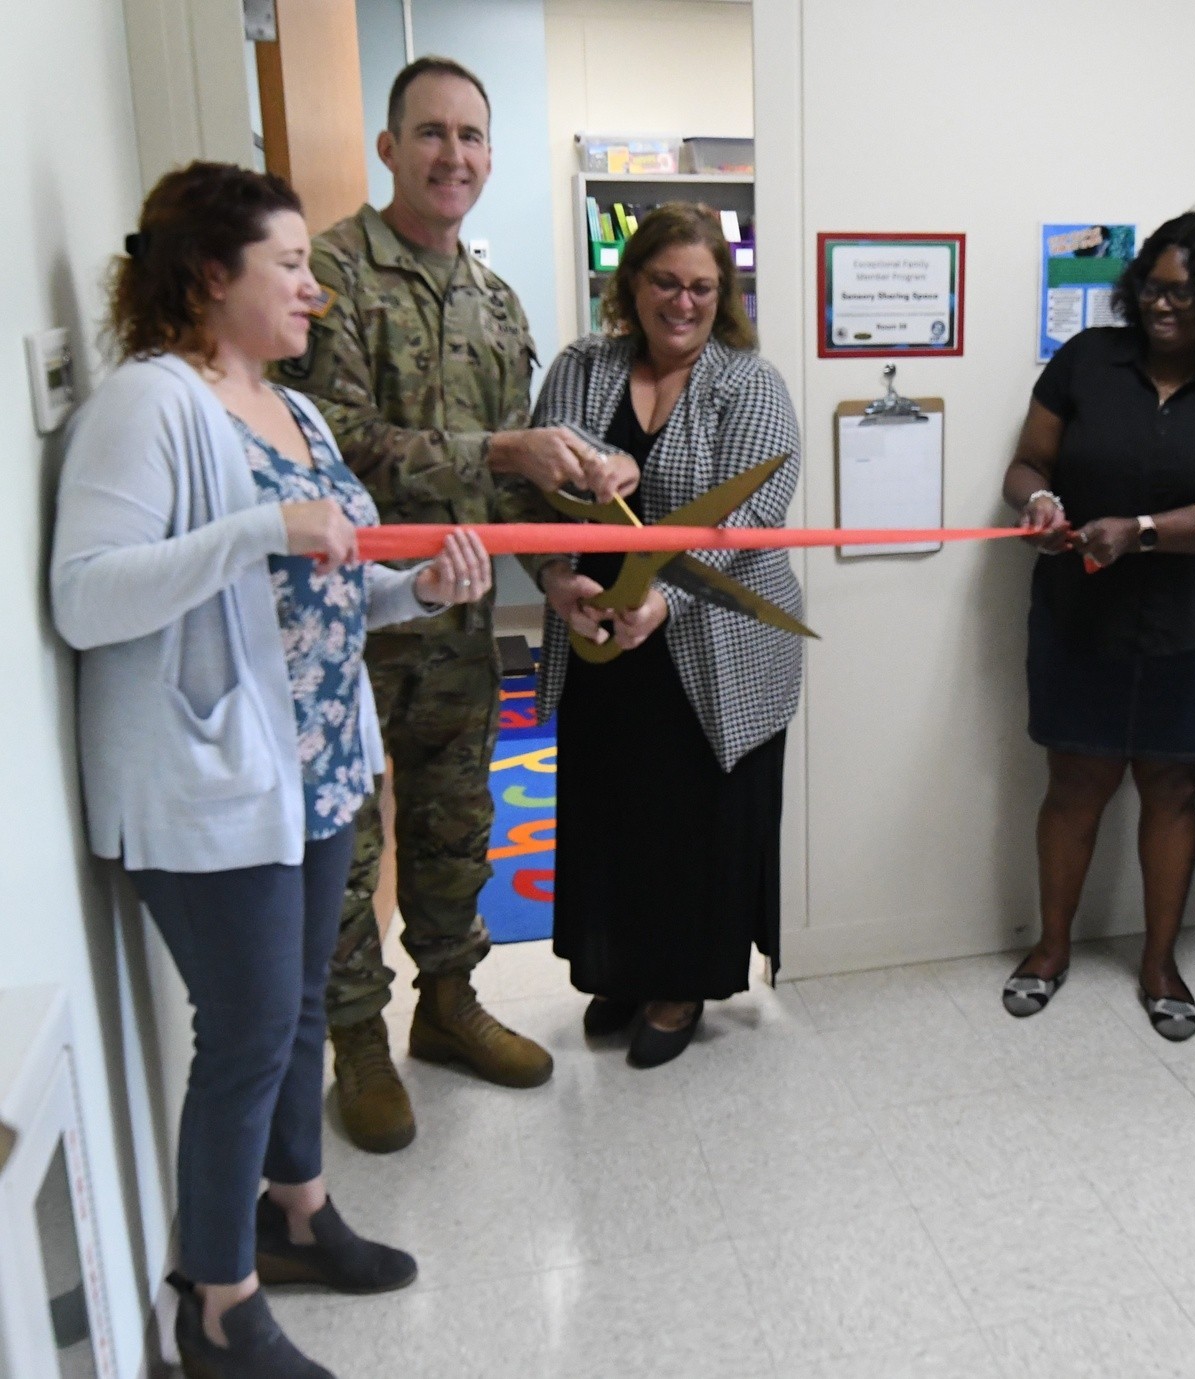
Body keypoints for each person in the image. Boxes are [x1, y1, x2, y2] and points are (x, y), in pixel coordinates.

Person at [51, 163, 493, 1379]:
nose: (317, 289)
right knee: (246, 1031)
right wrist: (258, 527)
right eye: (290, 266)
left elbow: (329, 582)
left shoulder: (289, 409)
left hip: (319, 767)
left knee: (299, 1010)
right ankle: (216, 1298)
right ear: (210, 276)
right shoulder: (148, 407)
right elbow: (85, 598)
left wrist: (418, 587)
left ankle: (296, 1211)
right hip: (211, 785)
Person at [282, 56, 634, 1151]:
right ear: (388, 148)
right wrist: (500, 446)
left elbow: (507, 488)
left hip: (458, 627)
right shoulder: (325, 277)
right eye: (431, 134)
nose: (454, 156)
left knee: (452, 826)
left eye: (473, 137)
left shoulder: (493, 299)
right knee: (342, 841)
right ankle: (357, 1040)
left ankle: (446, 1004)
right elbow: (328, 445)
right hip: (338, 629)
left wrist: (565, 564)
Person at [999, 209, 1195, 1041]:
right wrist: (1041, 500)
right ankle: (1051, 947)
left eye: (1187, 296)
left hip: (1193, 621)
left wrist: (1146, 530)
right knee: (1075, 785)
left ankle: (1160, 963)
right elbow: (1026, 463)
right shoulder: (1088, 359)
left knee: (1173, 789)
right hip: (1079, 611)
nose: (1164, 308)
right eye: (1155, 289)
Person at [534, 204, 803, 1068]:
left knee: (694, 820)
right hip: (599, 641)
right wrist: (553, 578)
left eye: (701, 287)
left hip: (711, 651)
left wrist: (665, 601)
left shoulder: (748, 382)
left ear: (722, 294)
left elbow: (750, 522)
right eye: (664, 282)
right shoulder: (580, 368)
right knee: (612, 809)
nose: (681, 302)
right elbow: (535, 497)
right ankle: (620, 967)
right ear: (631, 284)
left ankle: (681, 981)